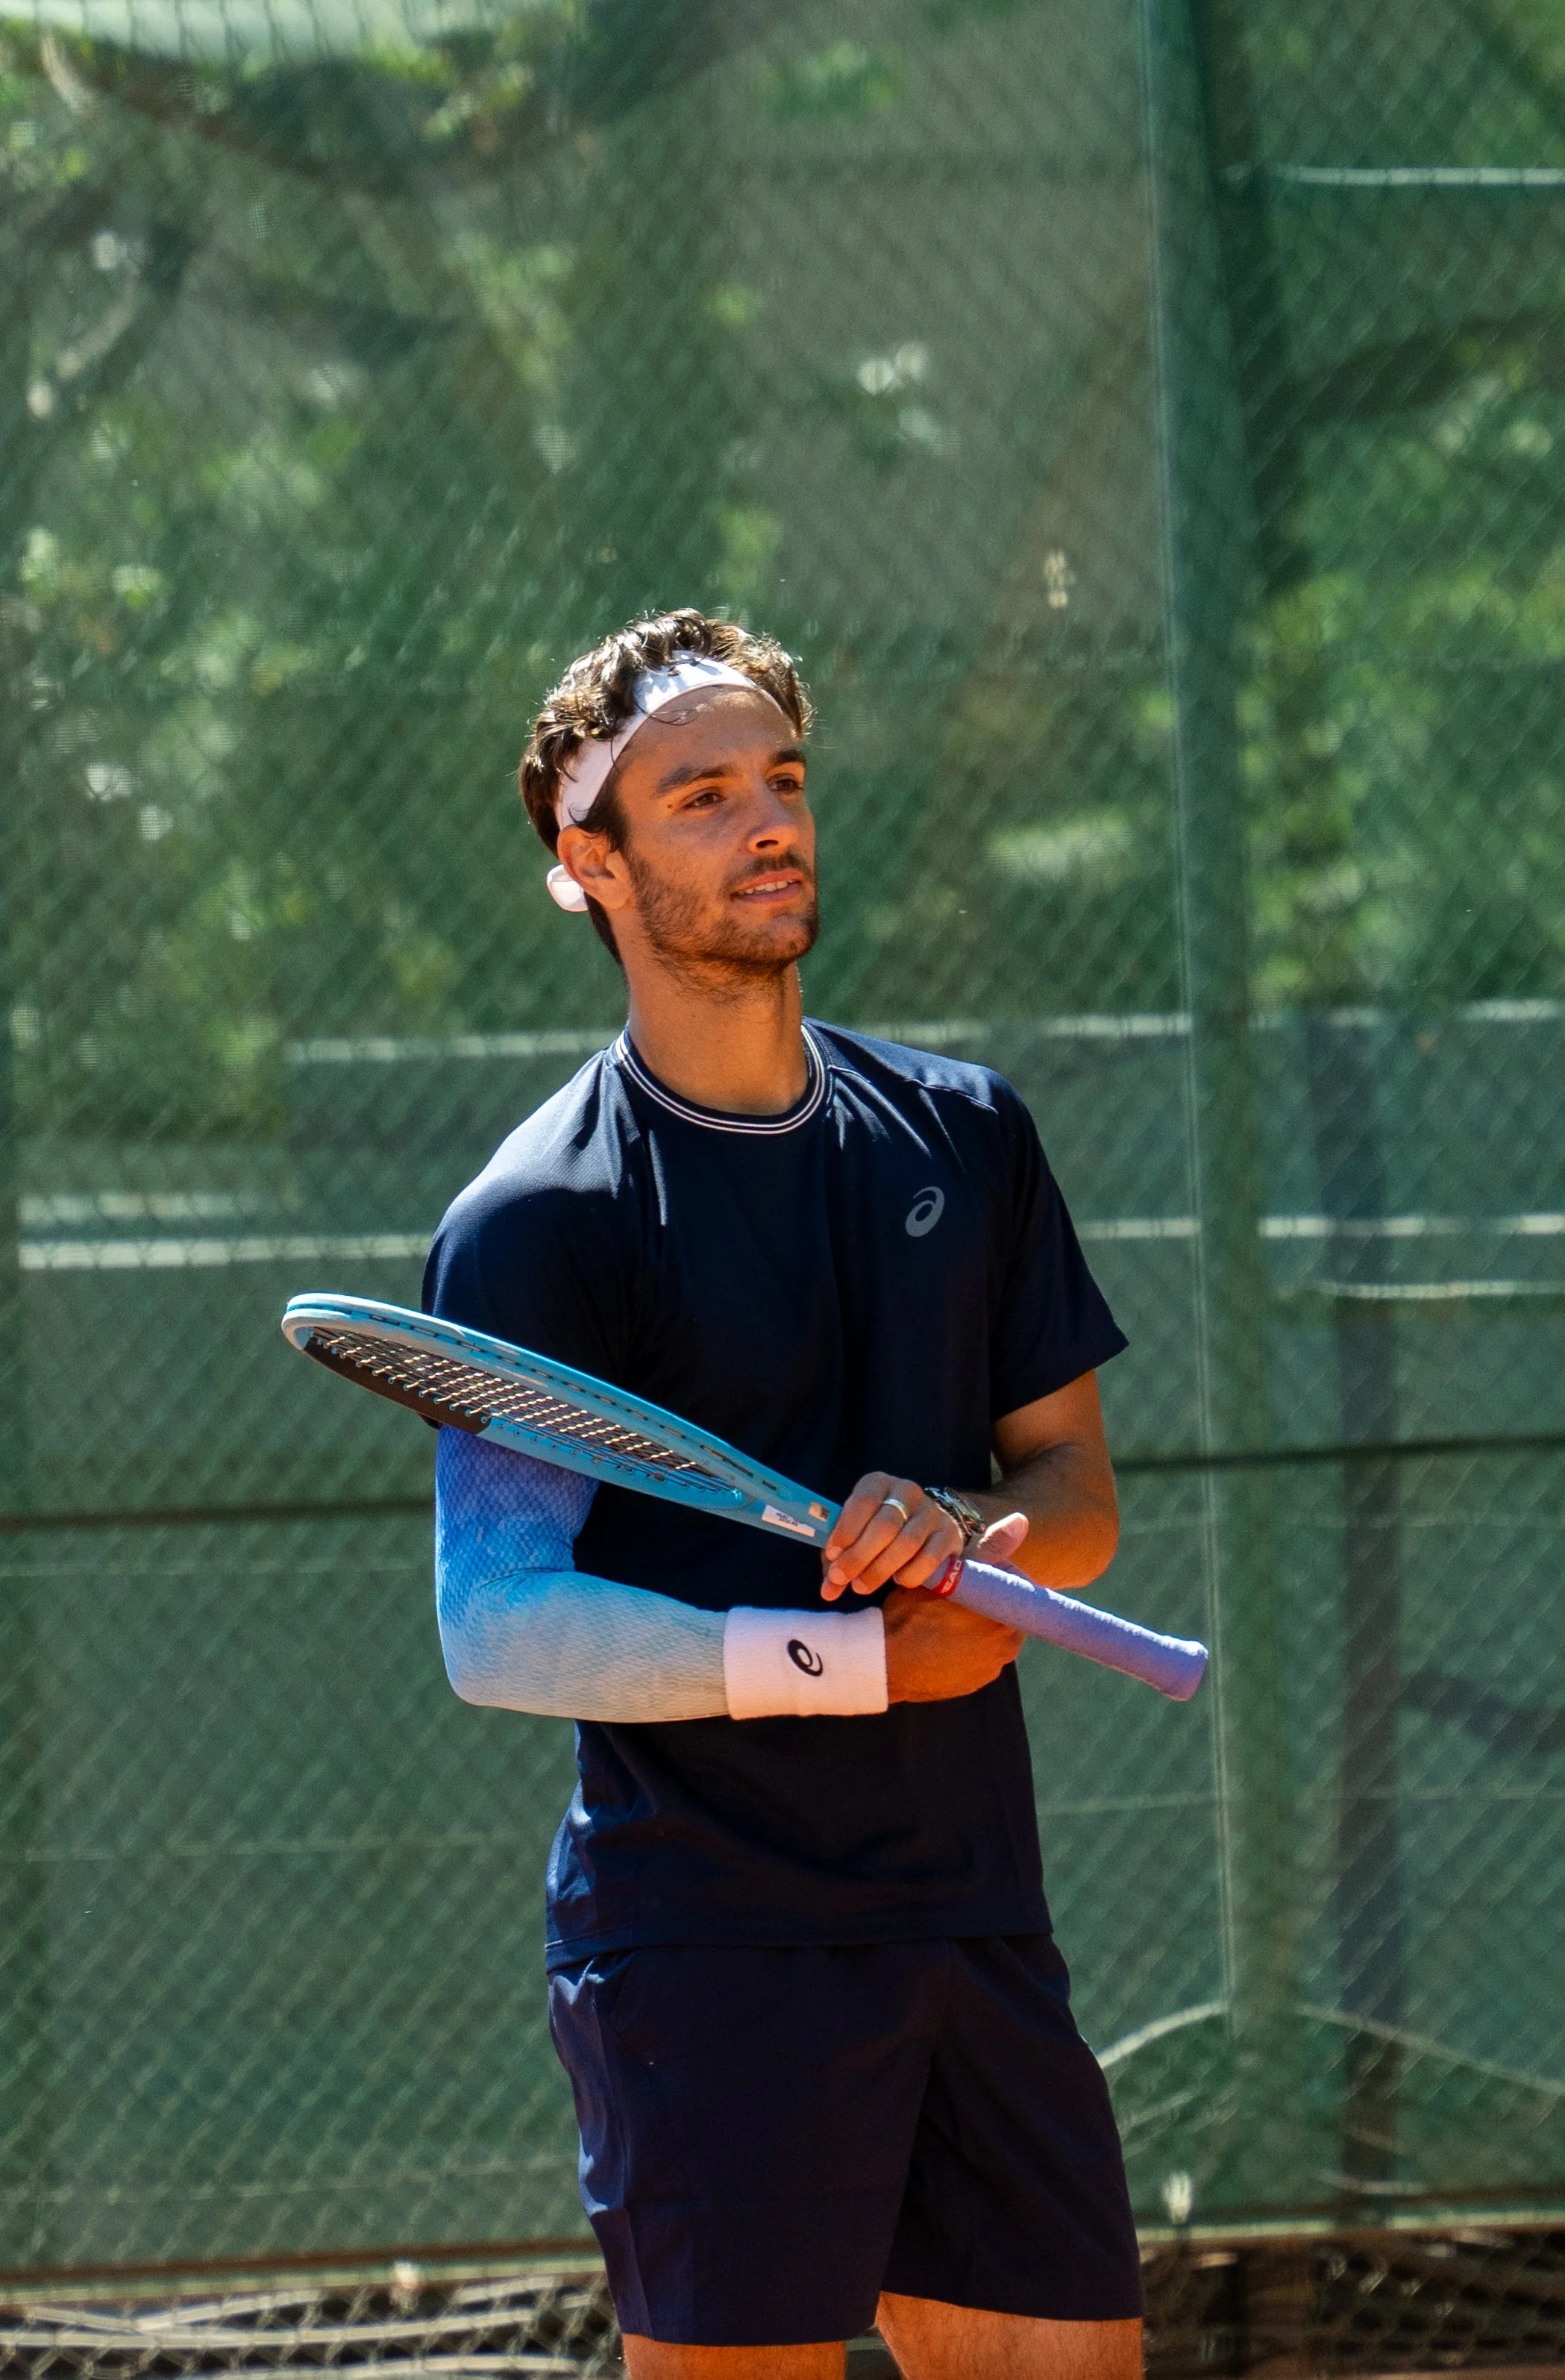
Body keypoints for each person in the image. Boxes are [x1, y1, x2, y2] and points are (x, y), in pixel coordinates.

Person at [423, 609, 1143, 2380]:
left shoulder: (969, 1135)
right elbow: (498, 1623)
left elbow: (1073, 1484)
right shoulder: (536, 1217)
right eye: (701, 794)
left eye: (785, 778)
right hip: (705, 1944)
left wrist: (976, 1552)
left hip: (973, 1909)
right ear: (589, 861)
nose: (769, 820)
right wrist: (848, 1661)